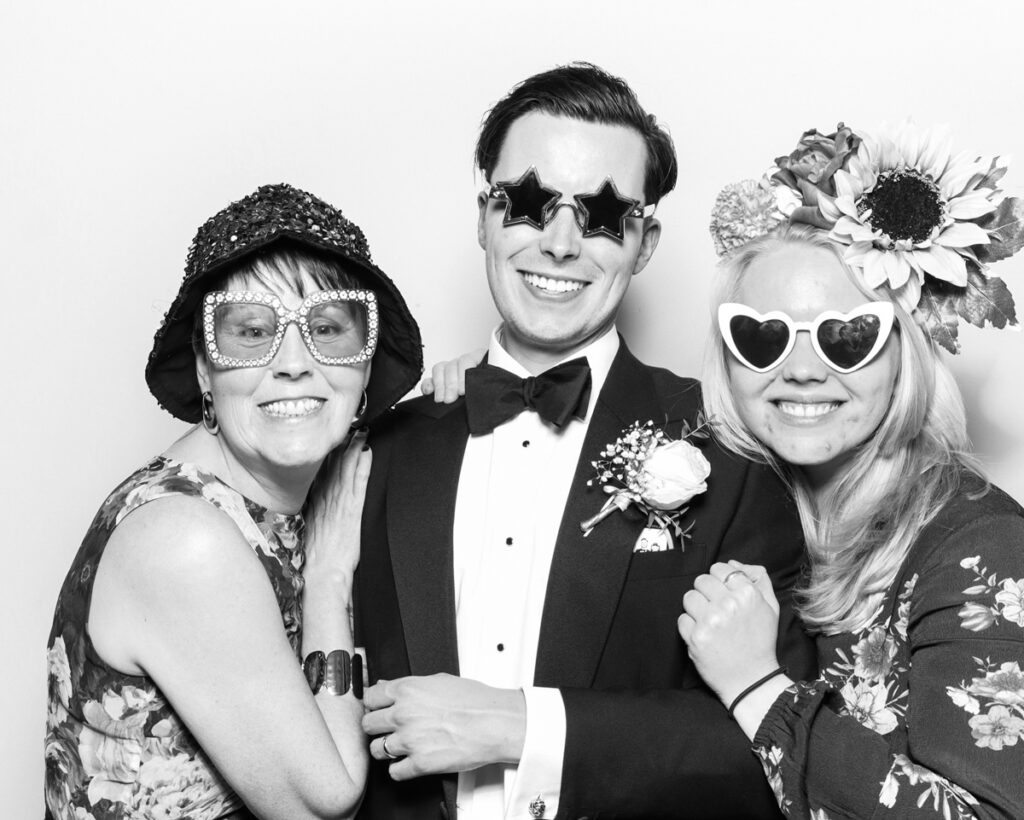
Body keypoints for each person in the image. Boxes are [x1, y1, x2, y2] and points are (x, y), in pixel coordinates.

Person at [355, 63, 816, 820]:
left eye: (603, 216)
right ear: (485, 216)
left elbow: (777, 750)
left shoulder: (730, 446)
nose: (562, 244)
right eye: (531, 204)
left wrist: (526, 729)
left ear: (644, 242)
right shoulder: (382, 446)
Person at [44, 183, 422, 819]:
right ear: (202, 371)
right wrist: (327, 583)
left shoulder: (284, 491)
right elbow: (322, 807)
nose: (294, 364)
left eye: (328, 329)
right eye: (251, 333)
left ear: (363, 367)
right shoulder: (184, 541)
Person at [679, 123, 1024, 818]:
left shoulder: (980, 545)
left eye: (847, 336)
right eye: (763, 335)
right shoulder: (719, 502)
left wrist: (757, 689)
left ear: (906, 352)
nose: (802, 370)